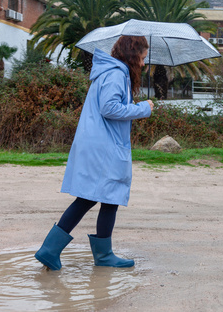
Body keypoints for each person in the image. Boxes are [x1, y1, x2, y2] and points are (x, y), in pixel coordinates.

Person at [35, 36, 154, 270]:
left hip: (101, 144)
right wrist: (143, 108)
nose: (142, 64)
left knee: (99, 198)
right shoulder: (116, 74)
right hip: (104, 147)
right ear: (132, 55)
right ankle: (94, 255)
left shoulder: (113, 72)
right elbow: (109, 107)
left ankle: (63, 251)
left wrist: (133, 103)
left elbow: (111, 106)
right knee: (101, 198)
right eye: (141, 58)